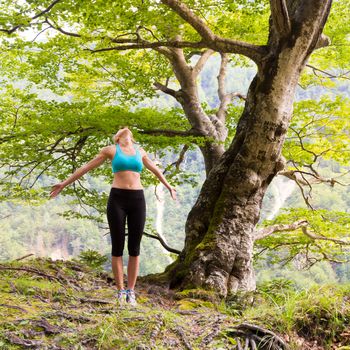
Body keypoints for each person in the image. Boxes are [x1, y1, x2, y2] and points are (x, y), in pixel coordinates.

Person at [49, 126, 177, 305]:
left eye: (127, 129)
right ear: (116, 137)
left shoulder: (140, 151)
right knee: (117, 246)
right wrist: (64, 183)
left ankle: (131, 292)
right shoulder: (110, 150)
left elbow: (155, 170)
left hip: (137, 200)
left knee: (135, 248)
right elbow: (87, 167)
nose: (125, 130)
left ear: (131, 136)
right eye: (120, 130)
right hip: (117, 199)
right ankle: (120, 291)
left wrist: (169, 186)